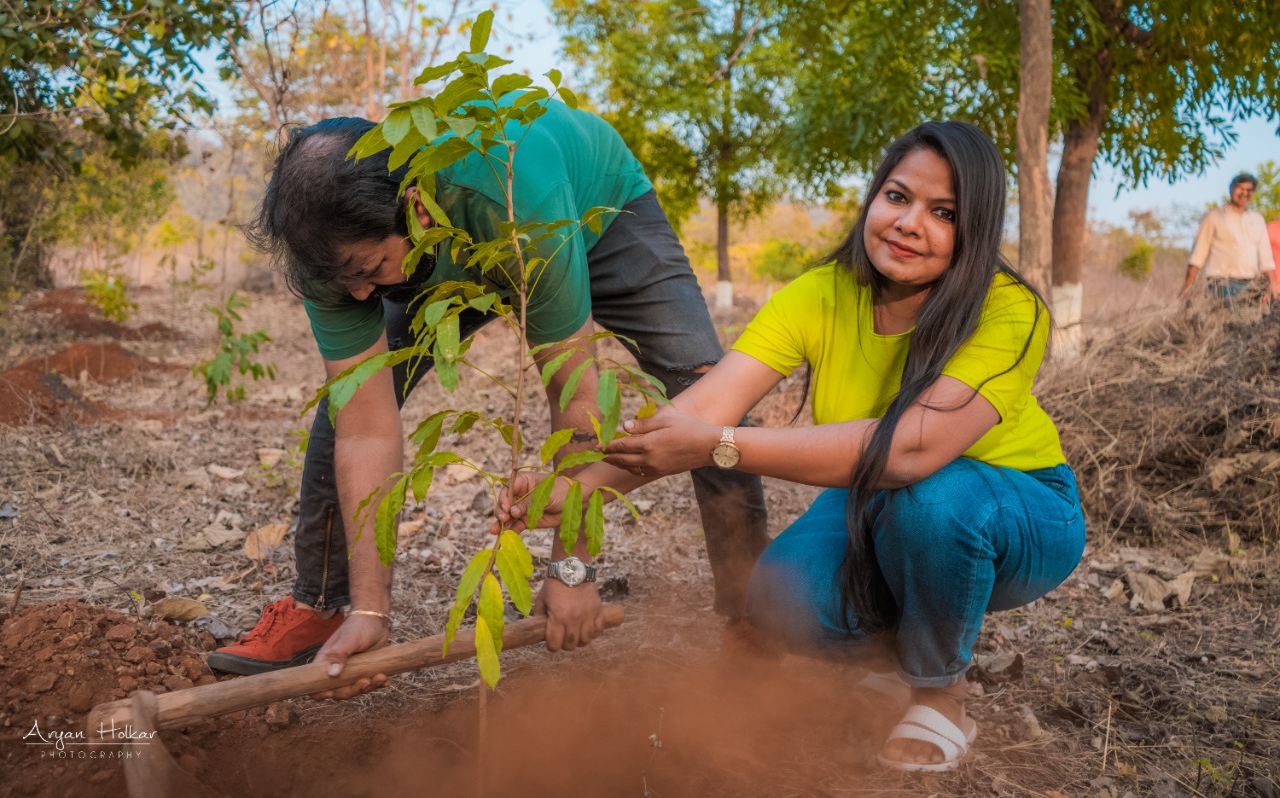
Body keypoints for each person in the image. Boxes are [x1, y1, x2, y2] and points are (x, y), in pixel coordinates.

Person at [499, 121, 1086, 772]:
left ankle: (941, 689)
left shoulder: (1008, 309)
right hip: (877, 498)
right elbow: (701, 408)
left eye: (942, 213)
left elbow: (909, 451)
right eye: (897, 196)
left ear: (973, 230)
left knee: (936, 499)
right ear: (873, 198)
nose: (909, 223)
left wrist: (721, 446)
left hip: (1017, 507)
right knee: (777, 596)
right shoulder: (818, 294)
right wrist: (579, 489)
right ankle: (900, 652)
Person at [209, 98, 768, 681]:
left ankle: (754, 614)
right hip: (442, 247)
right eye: (342, 280)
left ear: (417, 208)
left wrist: (570, 569)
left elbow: (574, 392)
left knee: (707, 392)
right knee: (342, 404)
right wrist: (372, 608)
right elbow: (364, 425)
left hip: (597, 207)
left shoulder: (517, 198)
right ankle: (326, 609)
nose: (356, 296)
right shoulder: (336, 255)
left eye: (368, 270)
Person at [1181, 173, 1277, 303]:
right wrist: (1188, 286)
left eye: (1249, 190)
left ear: (1253, 193)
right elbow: (1198, 254)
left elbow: (1266, 258)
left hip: (1250, 285)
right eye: (1240, 188)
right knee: (1227, 322)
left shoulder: (1257, 219)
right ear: (1231, 189)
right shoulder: (1214, 216)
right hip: (1221, 285)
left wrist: (1273, 285)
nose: (1244, 193)